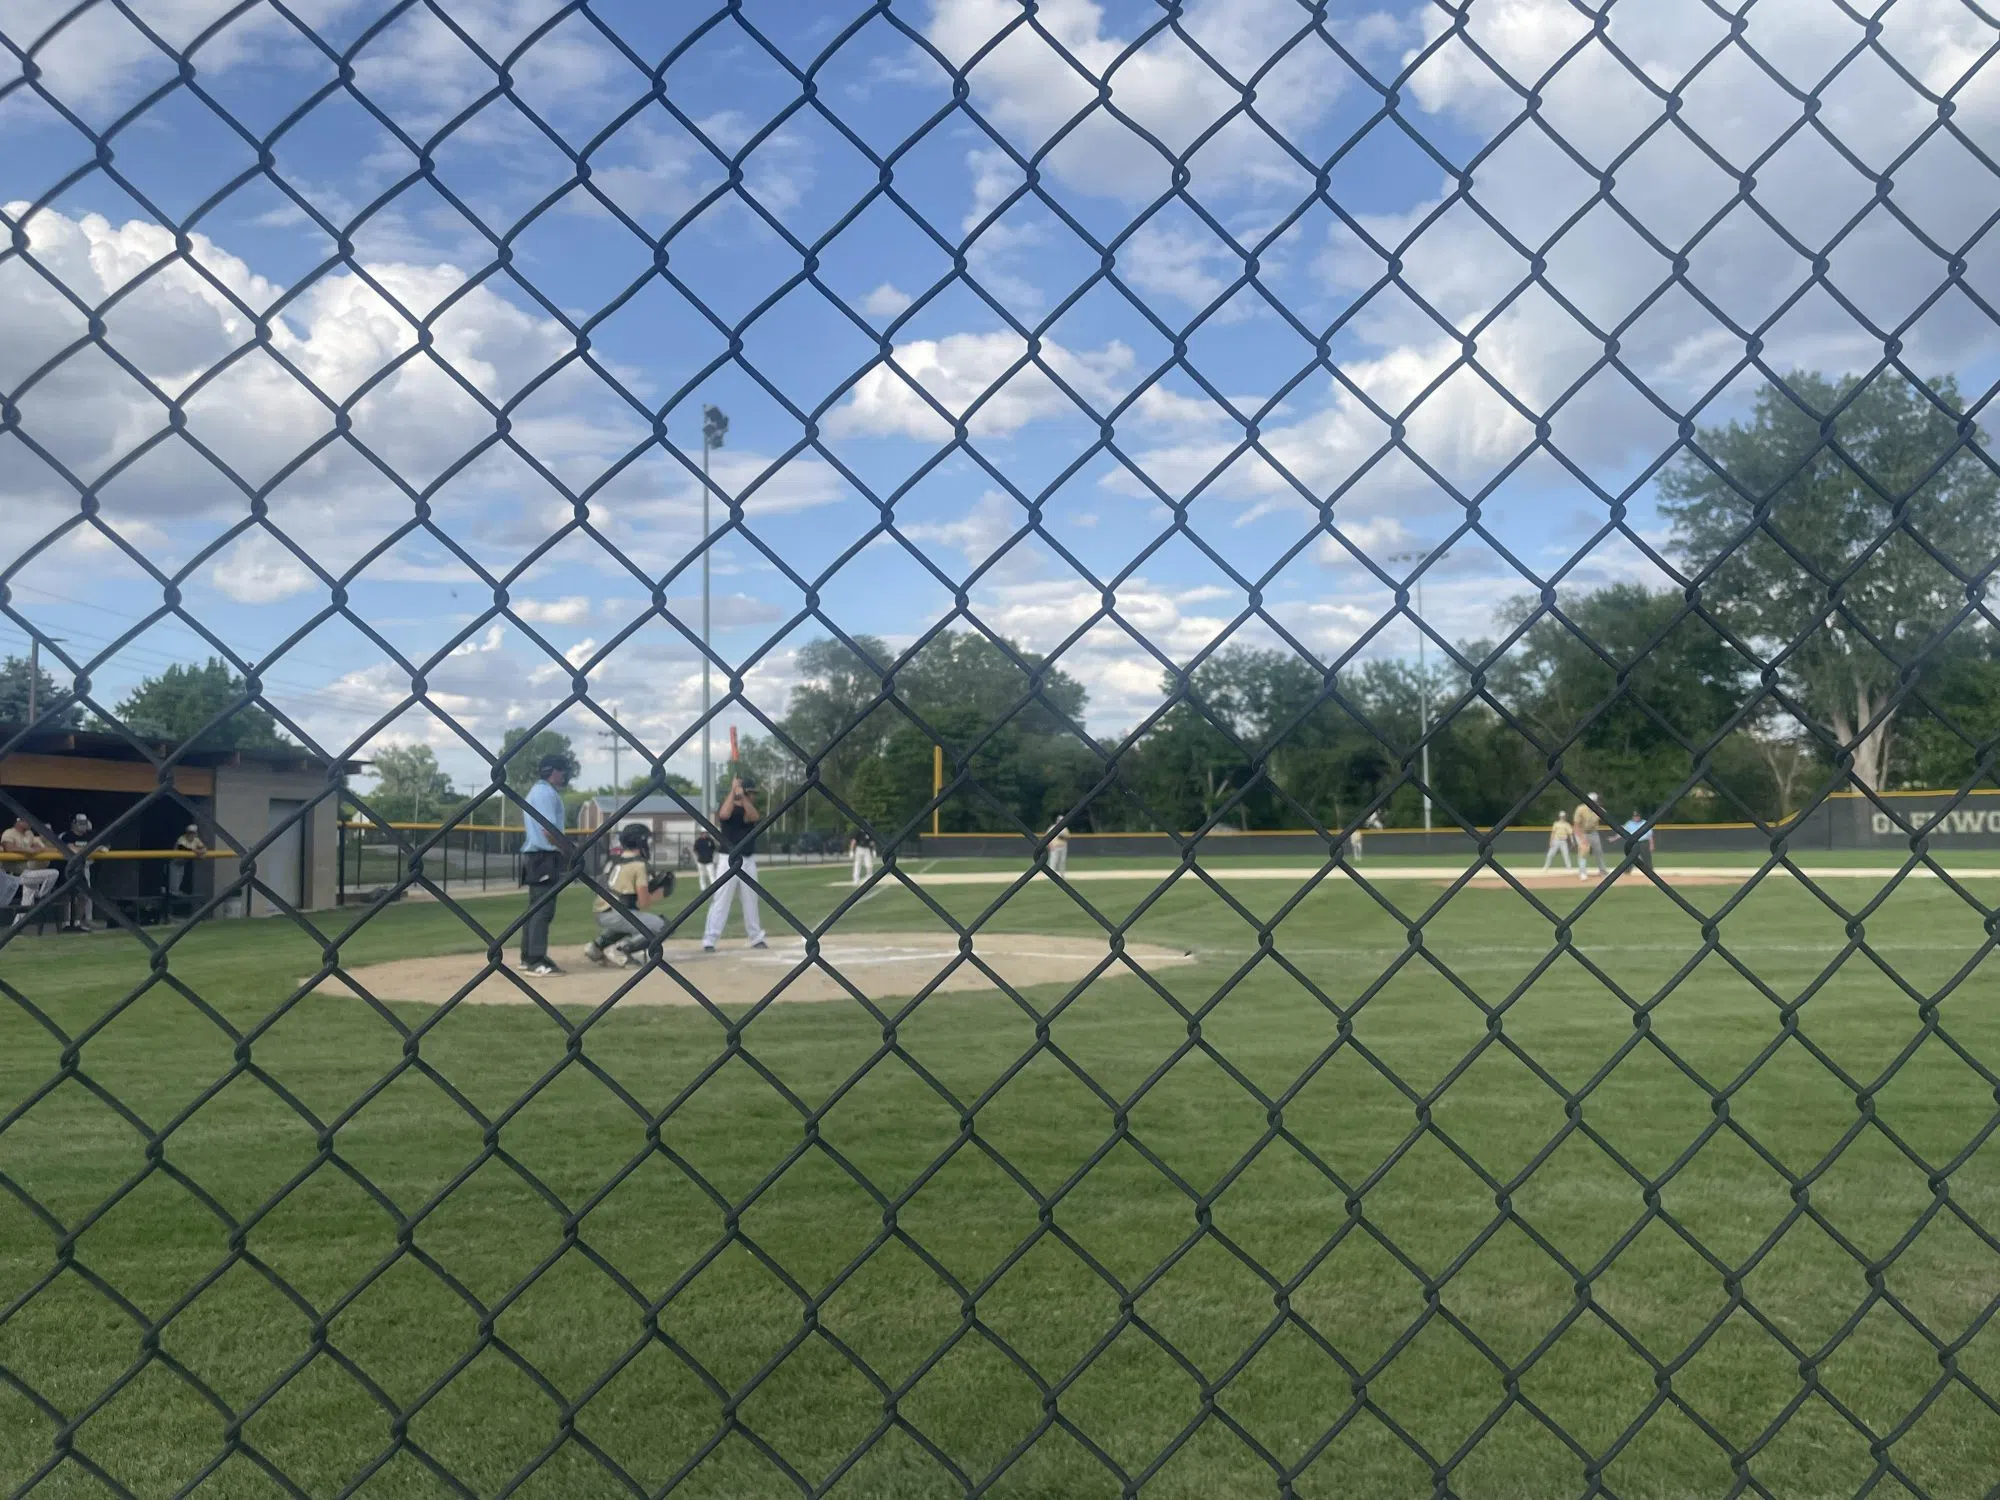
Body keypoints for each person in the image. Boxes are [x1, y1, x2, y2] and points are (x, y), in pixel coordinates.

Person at [583, 823, 671, 967]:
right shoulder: (639, 864)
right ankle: (620, 950)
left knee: (632, 918)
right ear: (640, 842)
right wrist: (661, 893)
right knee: (664, 926)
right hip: (616, 913)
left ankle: (596, 946)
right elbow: (643, 902)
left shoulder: (613, 859)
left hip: (601, 911)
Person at [518, 755, 571, 977]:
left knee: (535, 908)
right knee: (543, 910)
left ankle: (528, 956)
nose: (565, 775)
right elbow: (549, 830)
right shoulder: (546, 793)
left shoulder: (537, 791)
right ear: (554, 771)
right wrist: (568, 850)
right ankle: (536, 959)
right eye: (562, 770)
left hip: (536, 856)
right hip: (544, 856)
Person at [702, 773, 768, 951]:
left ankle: (756, 937)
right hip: (728, 860)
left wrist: (743, 797)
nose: (753, 796)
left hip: (748, 860)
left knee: (751, 900)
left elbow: (754, 817)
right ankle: (710, 939)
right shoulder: (728, 806)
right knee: (721, 900)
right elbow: (724, 814)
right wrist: (733, 791)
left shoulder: (748, 809)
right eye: (751, 793)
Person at [1, 816, 60, 924]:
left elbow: (38, 846)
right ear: (19, 821)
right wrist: (28, 850)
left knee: (27, 904)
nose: (30, 824)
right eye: (27, 821)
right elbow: (8, 848)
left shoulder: (29, 834)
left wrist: (40, 847)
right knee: (2, 904)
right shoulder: (9, 833)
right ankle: (39, 895)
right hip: (10, 876)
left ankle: (16, 926)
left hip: (26, 873)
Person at [57, 813, 94, 931]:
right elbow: (68, 848)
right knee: (67, 896)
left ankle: (78, 922)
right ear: (74, 824)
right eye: (80, 823)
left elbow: (101, 847)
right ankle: (66, 922)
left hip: (84, 868)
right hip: (68, 868)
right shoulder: (66, 836)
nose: (82, 826)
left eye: (84, 823)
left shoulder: (89, 836)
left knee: (84, 894)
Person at [1571, 794, 1608, 882]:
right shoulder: (1580, 809)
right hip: (1581, 832)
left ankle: (1602, 870)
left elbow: (1606, 817)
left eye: (1595, 801)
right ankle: (1582, 873)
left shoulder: (1599, 810)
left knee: (1598, 851)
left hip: (1593, 832)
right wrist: (1581, 838)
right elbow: (1576, 825)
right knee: (1583, 851)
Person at [171, 823, 207, 895]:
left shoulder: (196, 840)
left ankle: (176, 892)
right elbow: (182, 848)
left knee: (179, 880)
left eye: (193, 833)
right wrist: (195, 851)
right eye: (189, 832)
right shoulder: (182, 838)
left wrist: (201, 851)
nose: (191, 834)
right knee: (173, 883)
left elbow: (203, 848)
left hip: (182, 864)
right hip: (175, 864)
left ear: (196, 833)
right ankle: (172, 892)